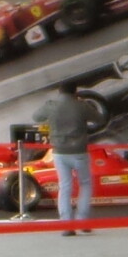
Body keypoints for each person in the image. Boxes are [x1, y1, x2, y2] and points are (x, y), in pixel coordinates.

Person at [37, 81, 103, 232]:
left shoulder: (52, 105)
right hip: (79, 152)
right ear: (75, 92)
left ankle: (66, 224)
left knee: (65, 186)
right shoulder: (81, 105)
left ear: (59, 92)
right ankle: (82, 222)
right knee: (85, 184)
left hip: (59, 152)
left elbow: (36, 117)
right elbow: (99, 119)